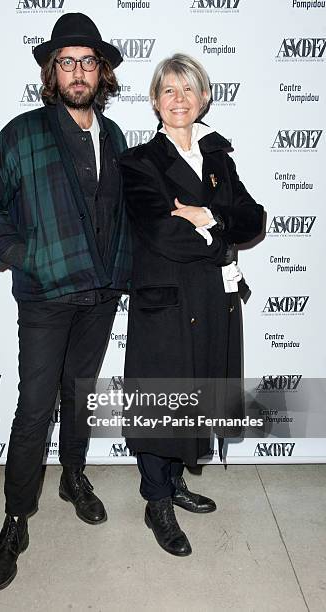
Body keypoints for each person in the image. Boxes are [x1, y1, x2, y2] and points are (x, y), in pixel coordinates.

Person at [0, 13, 130, 590]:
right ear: (51, 72)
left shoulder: (113, 137)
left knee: (80, 396)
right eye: (67, 62)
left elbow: (119, 214)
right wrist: (22, 255)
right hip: (44, 296)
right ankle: (15, 519)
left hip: (99, 293)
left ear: (101, 71)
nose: (78, 72)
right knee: (35, 407)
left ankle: (73, 478)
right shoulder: (22, 133)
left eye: (87, 61)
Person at [119, 53, 264, 557]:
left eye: (188, 90)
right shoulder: (138, 162)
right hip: (167, 302)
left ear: (204, 98)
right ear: (155, 102)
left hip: (213, 298)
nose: (178, 100)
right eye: (168, 91)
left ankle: (175, 481)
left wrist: (207, 217)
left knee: (197, 393)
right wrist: (219, 236)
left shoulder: (218, 155)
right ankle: (155, 498)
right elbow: (163, 233)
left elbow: (254, 218)